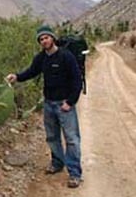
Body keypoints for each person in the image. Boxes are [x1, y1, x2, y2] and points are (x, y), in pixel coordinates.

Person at [6, 25, 83, 188]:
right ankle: (57, 163)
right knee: (52, 136)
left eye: (46, 37)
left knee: (72, 139)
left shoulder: (66, 56)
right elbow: (31, 72)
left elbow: (77, 81)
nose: (44, 41)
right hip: (48, 103)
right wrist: (17, 77)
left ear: (52, 38)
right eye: (41, 39)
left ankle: (75, 173)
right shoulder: (41, 58)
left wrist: (70, 102)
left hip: (64, 104)